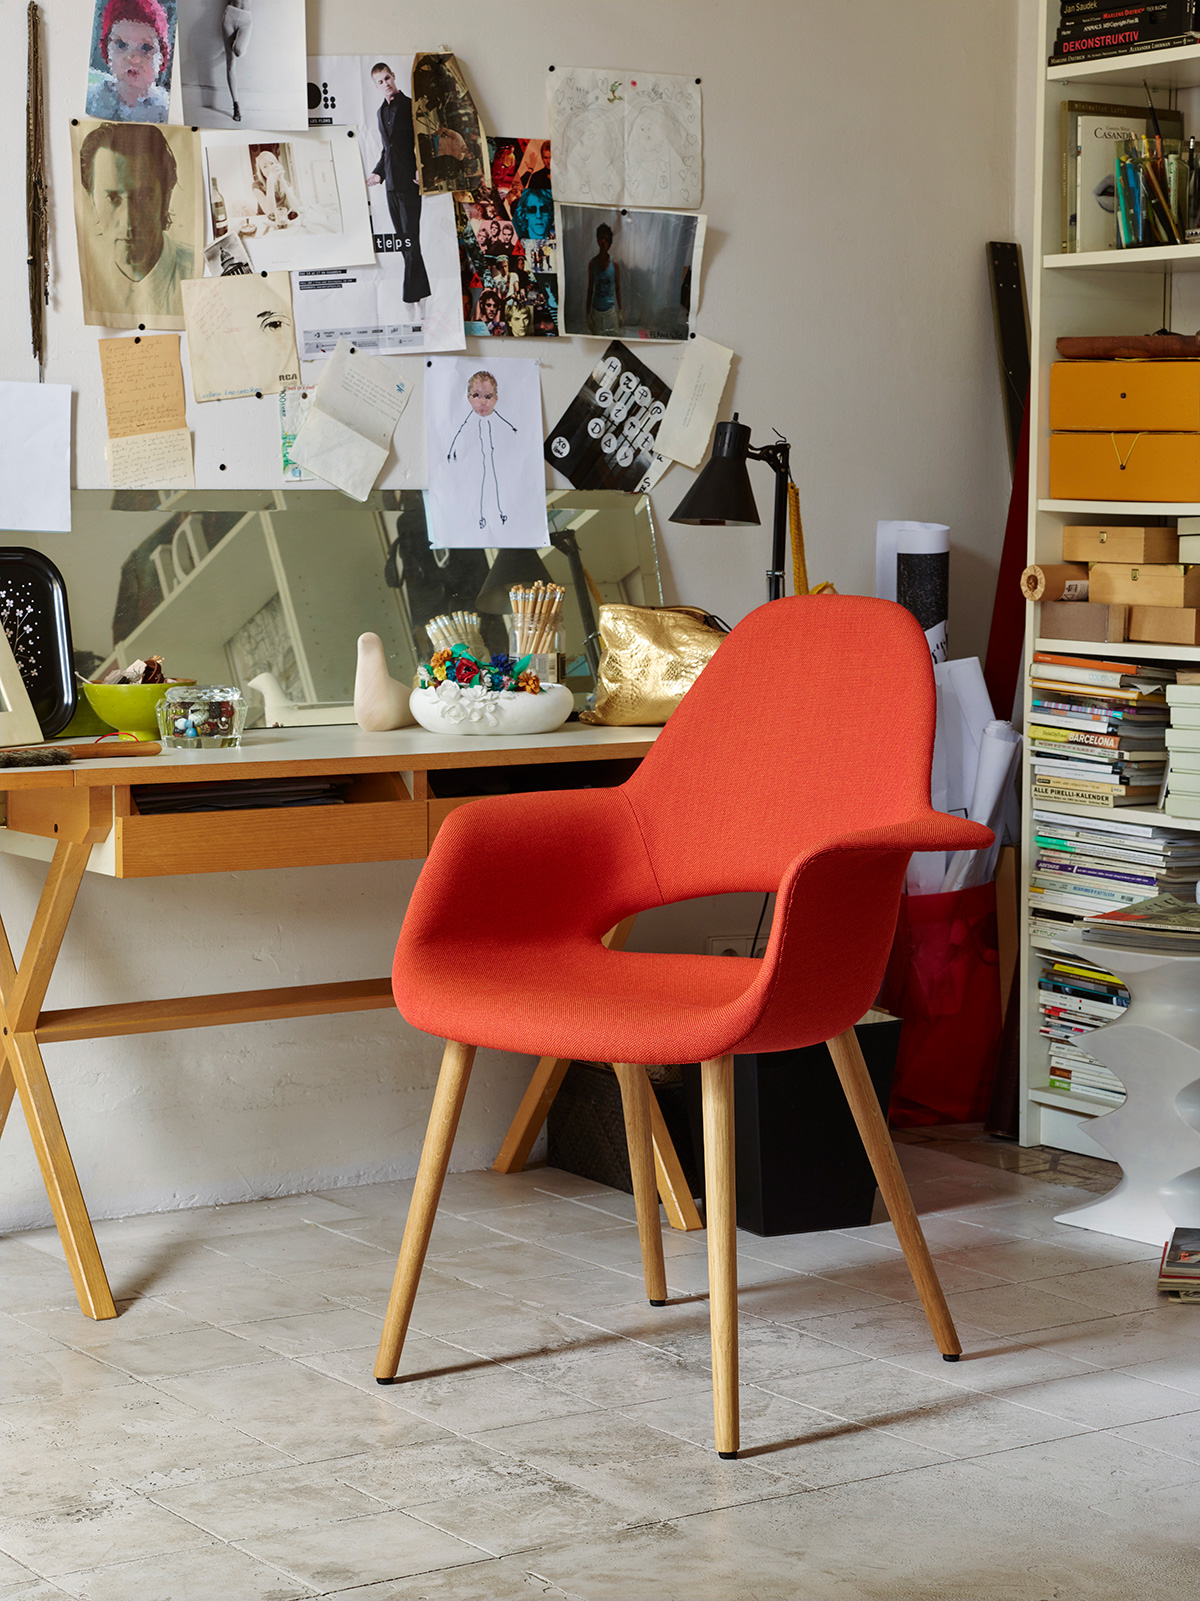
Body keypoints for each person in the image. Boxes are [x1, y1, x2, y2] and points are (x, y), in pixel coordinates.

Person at [78, 120, 193, 322]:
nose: (128, 223)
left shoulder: (197, 274)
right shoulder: (77, 286)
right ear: (92, 201)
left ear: (166, 197)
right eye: (112, 198)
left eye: (144, 197)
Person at [365, 61, 432, 306]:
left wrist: (420, 168)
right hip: (390, 184)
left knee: (411, 238)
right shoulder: (380, 113)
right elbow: (386, 151)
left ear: (394, 76)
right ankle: (421, 290)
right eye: (380, 82)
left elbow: (423, 141)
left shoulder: (411, 106)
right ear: (376, 86)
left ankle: (411, 295)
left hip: (410, 181)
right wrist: (377, 174)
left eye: (387, 78)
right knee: (405, 241)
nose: (386, 84)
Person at [446, 371, 517, 529]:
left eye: (488, 397)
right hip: (473, 475)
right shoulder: (465, 427)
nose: (482, 402)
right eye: (477, 395)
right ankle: (481, 518)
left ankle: (500, 514)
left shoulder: (506, 427)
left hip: (500, 473)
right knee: (478, 490)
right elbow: (452, 456)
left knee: (497, 487)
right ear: (469, 397)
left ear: (496, 398)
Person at [86, 0, 171, 123]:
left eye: (146, 48)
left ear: (162, 58)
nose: (133, 59)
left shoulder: (165, 111)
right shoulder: (92, 99)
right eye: (121, 44)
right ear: (107, 51)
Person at [586, 221, 621, 335]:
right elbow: (590, 289)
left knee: (614, 339)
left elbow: (618, 288)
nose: (603, 242)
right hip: (596, 310)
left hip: (610, 311)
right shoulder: (593, 263)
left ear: (610, 242)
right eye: (601, 238)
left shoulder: (614, 263)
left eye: (606, 239)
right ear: (597, 240)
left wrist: (621, 310)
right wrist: (588, 314)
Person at [222, 1, 253, 123]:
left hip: (246, 19)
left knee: (238, 50)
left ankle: (238, 47)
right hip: (230, 14)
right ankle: (236, 104)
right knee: (230, 62)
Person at [252, 150, 300, 226]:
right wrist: (270, 181)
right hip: (264, 222)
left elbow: (296, 208)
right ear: (261, 172)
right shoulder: (257, 186)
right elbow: (270, 213)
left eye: (272, 163)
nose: (270, 168)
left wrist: (282, 180)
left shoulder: (286, 183)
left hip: (282, 220)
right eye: (265, 166)